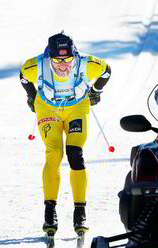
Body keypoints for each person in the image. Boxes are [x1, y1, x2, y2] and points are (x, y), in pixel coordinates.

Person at [20, 32, 111, 236]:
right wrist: (32, 96)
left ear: (74, 56)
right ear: (49, 58)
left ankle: (80, 211)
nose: (63, 65)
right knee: (53, 153)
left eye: (68, 59)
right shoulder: (34, 66)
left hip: (76, 109)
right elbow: (23, 76)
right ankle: (49, 211)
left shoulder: (88, 64)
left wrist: (96, 91)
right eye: (57, 60)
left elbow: (107, 71)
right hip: (48, 109)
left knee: (75, 154)